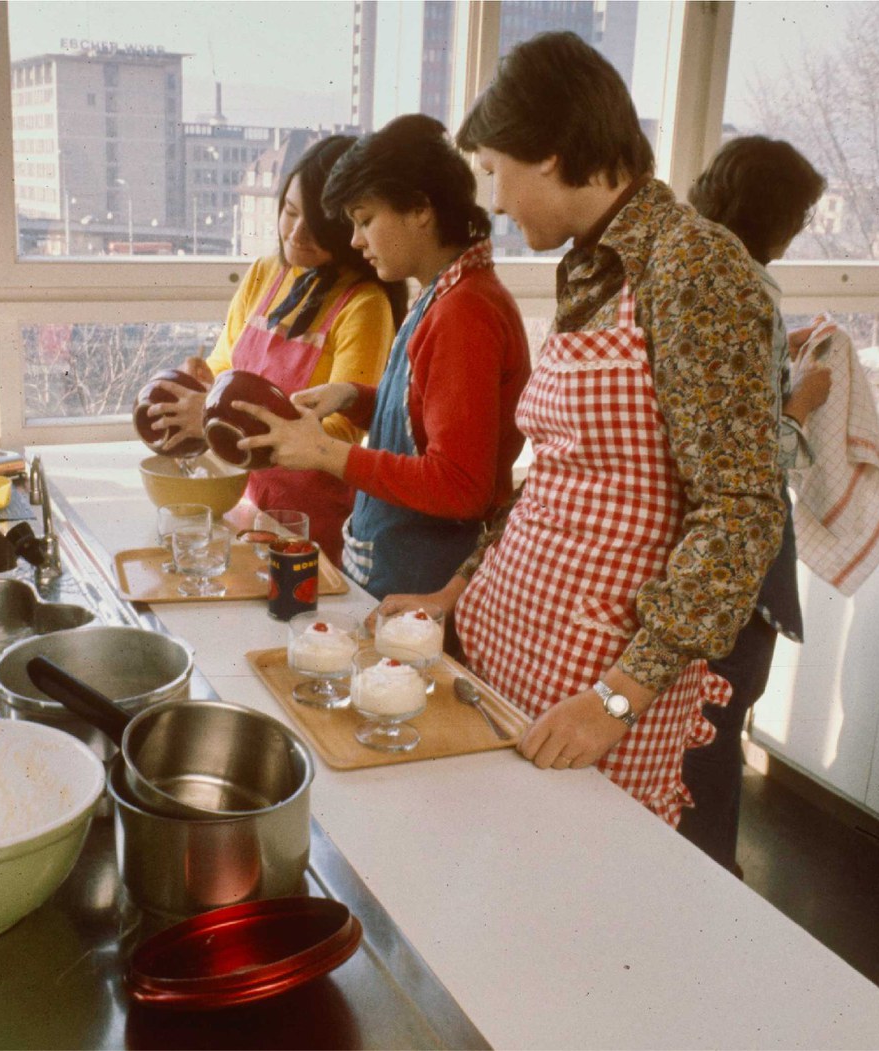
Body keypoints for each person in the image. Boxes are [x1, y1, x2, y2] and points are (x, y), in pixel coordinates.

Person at [380, 32, 783, 827]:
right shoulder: (600, 265)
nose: (492, 200)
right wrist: (454, 593)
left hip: (593, 684)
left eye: (496, 170)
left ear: (556, 152)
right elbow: (561, 481)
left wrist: (615, 700)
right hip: (518, 653)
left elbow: (741, 515)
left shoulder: (694, 266)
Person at [231, 114, 531, 598]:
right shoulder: (446, 293)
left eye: (365, 220)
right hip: (396, 568)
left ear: (419, 209)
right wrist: (354, 397)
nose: (355, 241)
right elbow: (425, 420)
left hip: (417, 582)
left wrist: (326, 452)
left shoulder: (465, 313)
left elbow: (458, 484)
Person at [679, 135, 830, 872]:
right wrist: (799, 404)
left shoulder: (682, 268)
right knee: (711, 745)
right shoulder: (744, 287)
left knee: (691, 743)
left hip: (683, 562)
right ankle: (715, 898)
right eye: (799, 214)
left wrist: (777, 353)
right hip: (734, 577)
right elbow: (750, 467)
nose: (800, 229)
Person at [146, 135, 402, 561]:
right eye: (289, 212)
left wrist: (214, 413)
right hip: (248, 508)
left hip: (312, 527)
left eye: (317, 227)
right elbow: (226, 360)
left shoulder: (364, 305)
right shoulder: (266, 273)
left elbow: (341, 430)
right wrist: (202, 380)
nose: (296, 235)